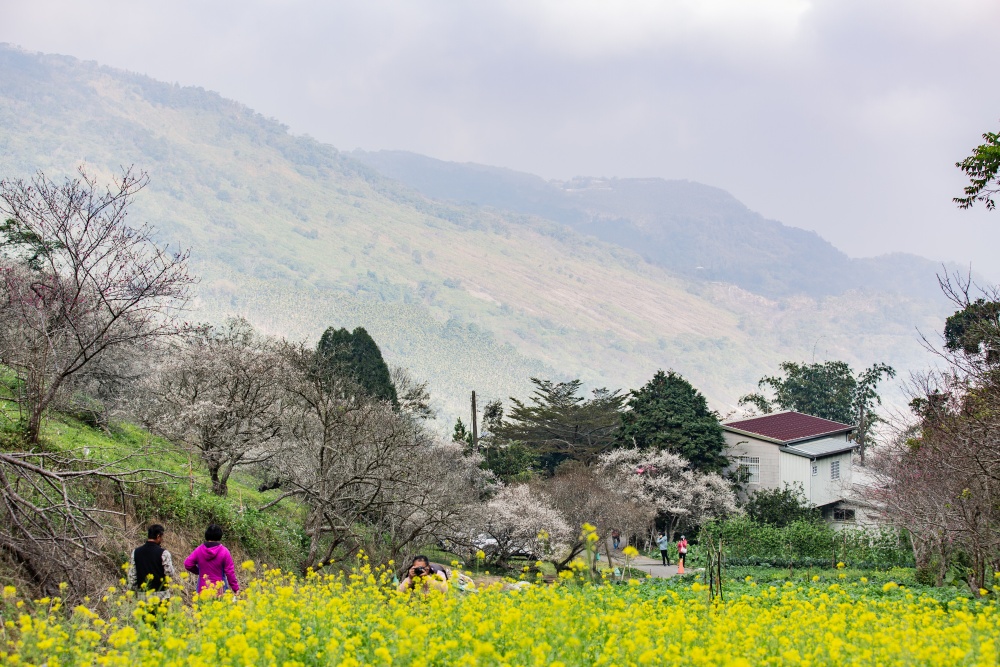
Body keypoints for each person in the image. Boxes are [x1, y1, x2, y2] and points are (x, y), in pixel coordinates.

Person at [184, 524, 240, 596]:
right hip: (220, 589)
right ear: (220, 536)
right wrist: (235, 588)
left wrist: (199, 572)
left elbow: (188, 564)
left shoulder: (199, 550)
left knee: (203, 603)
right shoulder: (224, 551)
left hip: (203, 589)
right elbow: (230, 572)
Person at [127, 524, 177, 597]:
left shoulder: (135, 552)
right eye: (162, 537)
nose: (162, 539)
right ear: (158, 536)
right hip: (161, 595)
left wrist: (133, 592)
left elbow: (132, 576)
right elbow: (169, 573)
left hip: (143, 595)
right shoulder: (164, 553)